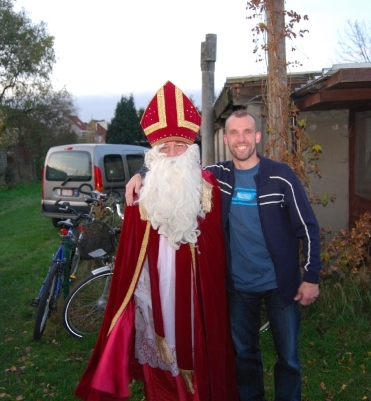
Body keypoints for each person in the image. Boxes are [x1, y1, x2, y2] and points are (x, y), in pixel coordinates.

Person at [126, 109, 322, 401]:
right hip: (239, 288)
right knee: (245, 355)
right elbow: (175, 166)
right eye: (234, 133)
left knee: (288, 358)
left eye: (246, 132)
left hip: (281, 286)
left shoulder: (281, 176)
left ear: (257, 136)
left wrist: (311, 277)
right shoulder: (217, 177)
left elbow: (307, 226)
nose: (240, 139)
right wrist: (142, 174)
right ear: (226, 138)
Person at [74, 81, 238, 401]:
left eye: (180, 145)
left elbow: (215, 249)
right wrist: (138, 175)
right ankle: (163, 392)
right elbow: (134, 249)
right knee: (159, 334)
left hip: (194, 287)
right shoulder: (143, 189)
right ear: (155, 152)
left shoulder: (208, 187)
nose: (173, 153)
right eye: (165, 146)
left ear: (191, 147)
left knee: (194, 338)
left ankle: (196, 392)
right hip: (157, 282)